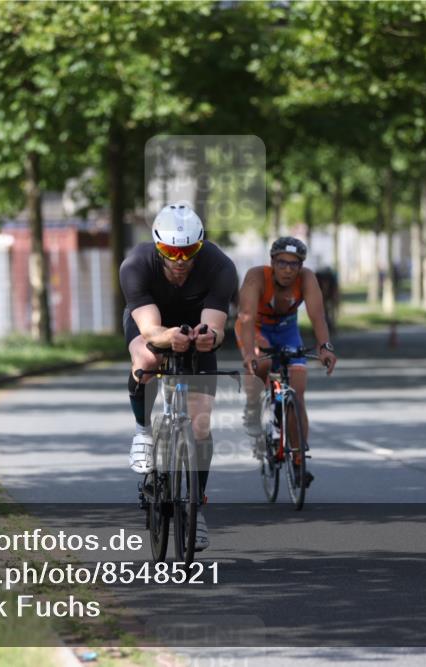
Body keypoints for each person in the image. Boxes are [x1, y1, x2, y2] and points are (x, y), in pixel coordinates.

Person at [119, 202, 238, 551]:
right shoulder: (136, 265)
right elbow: (151, 329)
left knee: (200, 424)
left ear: (200, 246)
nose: (181, 260)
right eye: (171, 252)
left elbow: (217, 328)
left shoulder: (220, 266)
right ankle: (143, 432)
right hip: (151, 324)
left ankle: (195, 507)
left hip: (195, 328)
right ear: (158, 246)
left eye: (189, 251)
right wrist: (168, 337)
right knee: (146, 358)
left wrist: (209, 338)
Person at [234, 237, 337, 488]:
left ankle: (299, 460)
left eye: (294, 264)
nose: (288, 269)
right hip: (256, 329)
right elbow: (245, 318)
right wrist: (250, 353)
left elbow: (317, 316)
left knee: (297, 395)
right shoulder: (256, 277)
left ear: (301, 265)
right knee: (261, 364)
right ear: (272, 262)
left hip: (287, 331)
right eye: (282, 263)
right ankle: (253, 407)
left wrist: (325, 347)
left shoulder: (307, 279)